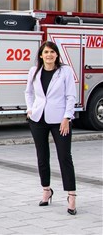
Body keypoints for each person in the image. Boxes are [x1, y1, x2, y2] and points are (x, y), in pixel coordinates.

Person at [25, 41, 78, 215]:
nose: (49, 55)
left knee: (64, 156)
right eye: (46, 52)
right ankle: (46, 190)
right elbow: (29, 92)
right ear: (41, 55)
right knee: (42, 156)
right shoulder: (34, 71)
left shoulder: (65, 71)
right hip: (38, 118)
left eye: (52, 52)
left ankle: (71, 195)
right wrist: (30, 109)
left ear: (56, 55)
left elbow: (71, 96)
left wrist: (67, 117)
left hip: (60, 119)